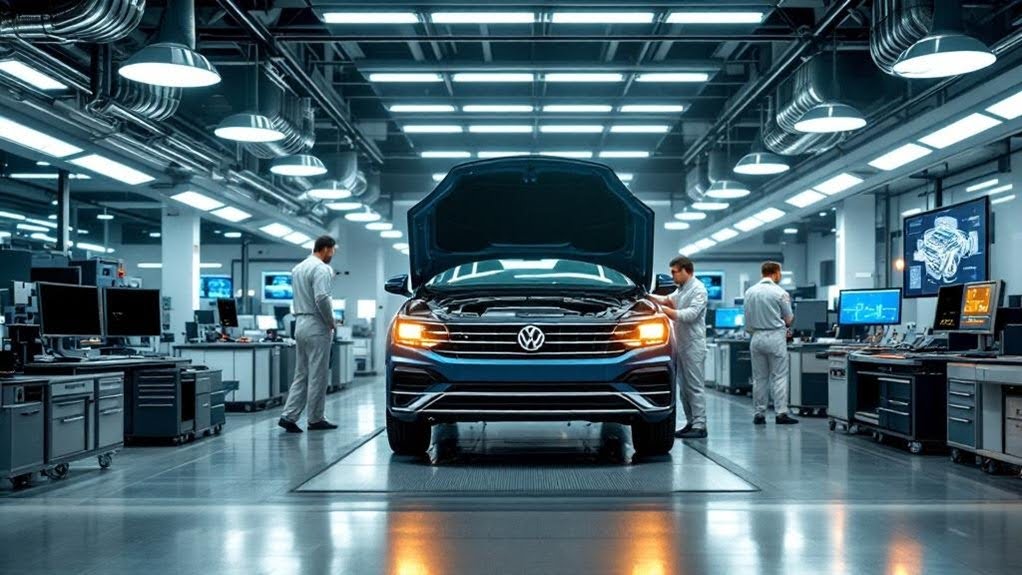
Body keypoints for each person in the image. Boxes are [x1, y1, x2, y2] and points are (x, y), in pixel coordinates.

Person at [278, 235, 339, 433]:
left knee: (301, 373)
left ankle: (289, 415)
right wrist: (331, 322)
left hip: (300, 323)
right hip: (316, 324)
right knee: (318, 375)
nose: (332, 255)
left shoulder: (299, 268)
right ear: (327, 249)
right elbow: (321, 297)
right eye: (333, 251)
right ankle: (315, 418)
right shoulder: (321, 268)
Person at [651, 255, 708, 439]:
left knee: (695, 386)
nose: (673, 276)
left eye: (675, 272)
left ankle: (700, 425)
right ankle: (691, 422)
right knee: (683, 388)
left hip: (693, 345)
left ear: (686, 271)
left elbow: (689, 315)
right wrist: (646, 296)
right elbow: (667, 300)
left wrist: (664, 311)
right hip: (682, 344)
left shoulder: (699, 289)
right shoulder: (682, 289)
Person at [743, 261, 799, 425]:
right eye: (780, 273)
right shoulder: (780, 292)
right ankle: (781, 413)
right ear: (775, 273)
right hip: (775, 337)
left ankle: (759, 414)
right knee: (779, 376)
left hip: (756, 337)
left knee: (759, 378)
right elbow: (789, 319)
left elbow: (747, 321)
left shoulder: (749, 292)